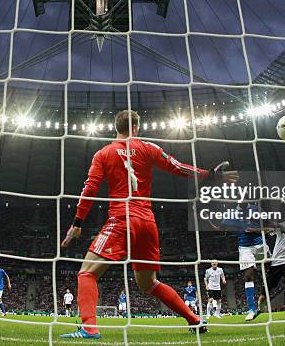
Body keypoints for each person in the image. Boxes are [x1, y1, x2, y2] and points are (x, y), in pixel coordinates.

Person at [60, 110, 238, 339]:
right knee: (148, 283)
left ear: (117, 128)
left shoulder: (103, 153)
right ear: (136, 128)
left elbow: (89, 190)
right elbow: (178, 167)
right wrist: (209, 175)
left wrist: (77, 223)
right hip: (147, 223)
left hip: (122, 220)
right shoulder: (148, 147)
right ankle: (194, 319)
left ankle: (89, 328)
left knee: (86, 273)